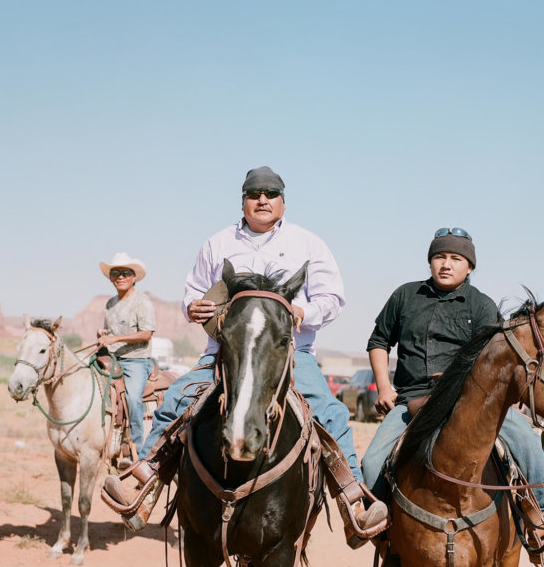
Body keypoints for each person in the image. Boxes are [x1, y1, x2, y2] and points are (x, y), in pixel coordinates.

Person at [102, 166, 388, 542]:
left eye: (271, 193)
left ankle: (354, 501)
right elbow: (194, 291)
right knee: (176, 397)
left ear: (283, 202)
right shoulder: (217, 243)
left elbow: (332, 298)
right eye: (255, 193)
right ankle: (144, 483)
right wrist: (194, 308)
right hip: (224, 352)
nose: (262, 199)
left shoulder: (309, 244)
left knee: (329, 410)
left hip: (288, 352)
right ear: (243, 201)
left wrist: (303, 312)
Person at [362, 227, 544, 567]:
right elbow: (379, 341)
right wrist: (383, 385)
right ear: (430, 260)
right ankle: (392, 548)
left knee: (525, 438)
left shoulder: (481, 306)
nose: (446, 264)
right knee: (371, 463)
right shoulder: (404, 296)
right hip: (413, 399)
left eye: (455, 259)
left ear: (469, 266)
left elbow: (494, 360)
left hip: (472, 401)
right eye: (440, 257)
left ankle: (541, 527)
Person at [97, 252, 156, 456]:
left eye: (125, 273)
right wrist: (104, 335)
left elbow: (146, 334)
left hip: (136, 361)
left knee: (133, 400)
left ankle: (138, 451)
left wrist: (115, 339)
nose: (120, 277)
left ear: (133, 278)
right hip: (111, 359)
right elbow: (109, 331)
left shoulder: (142, 302)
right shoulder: (110, 304)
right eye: (115, 273)